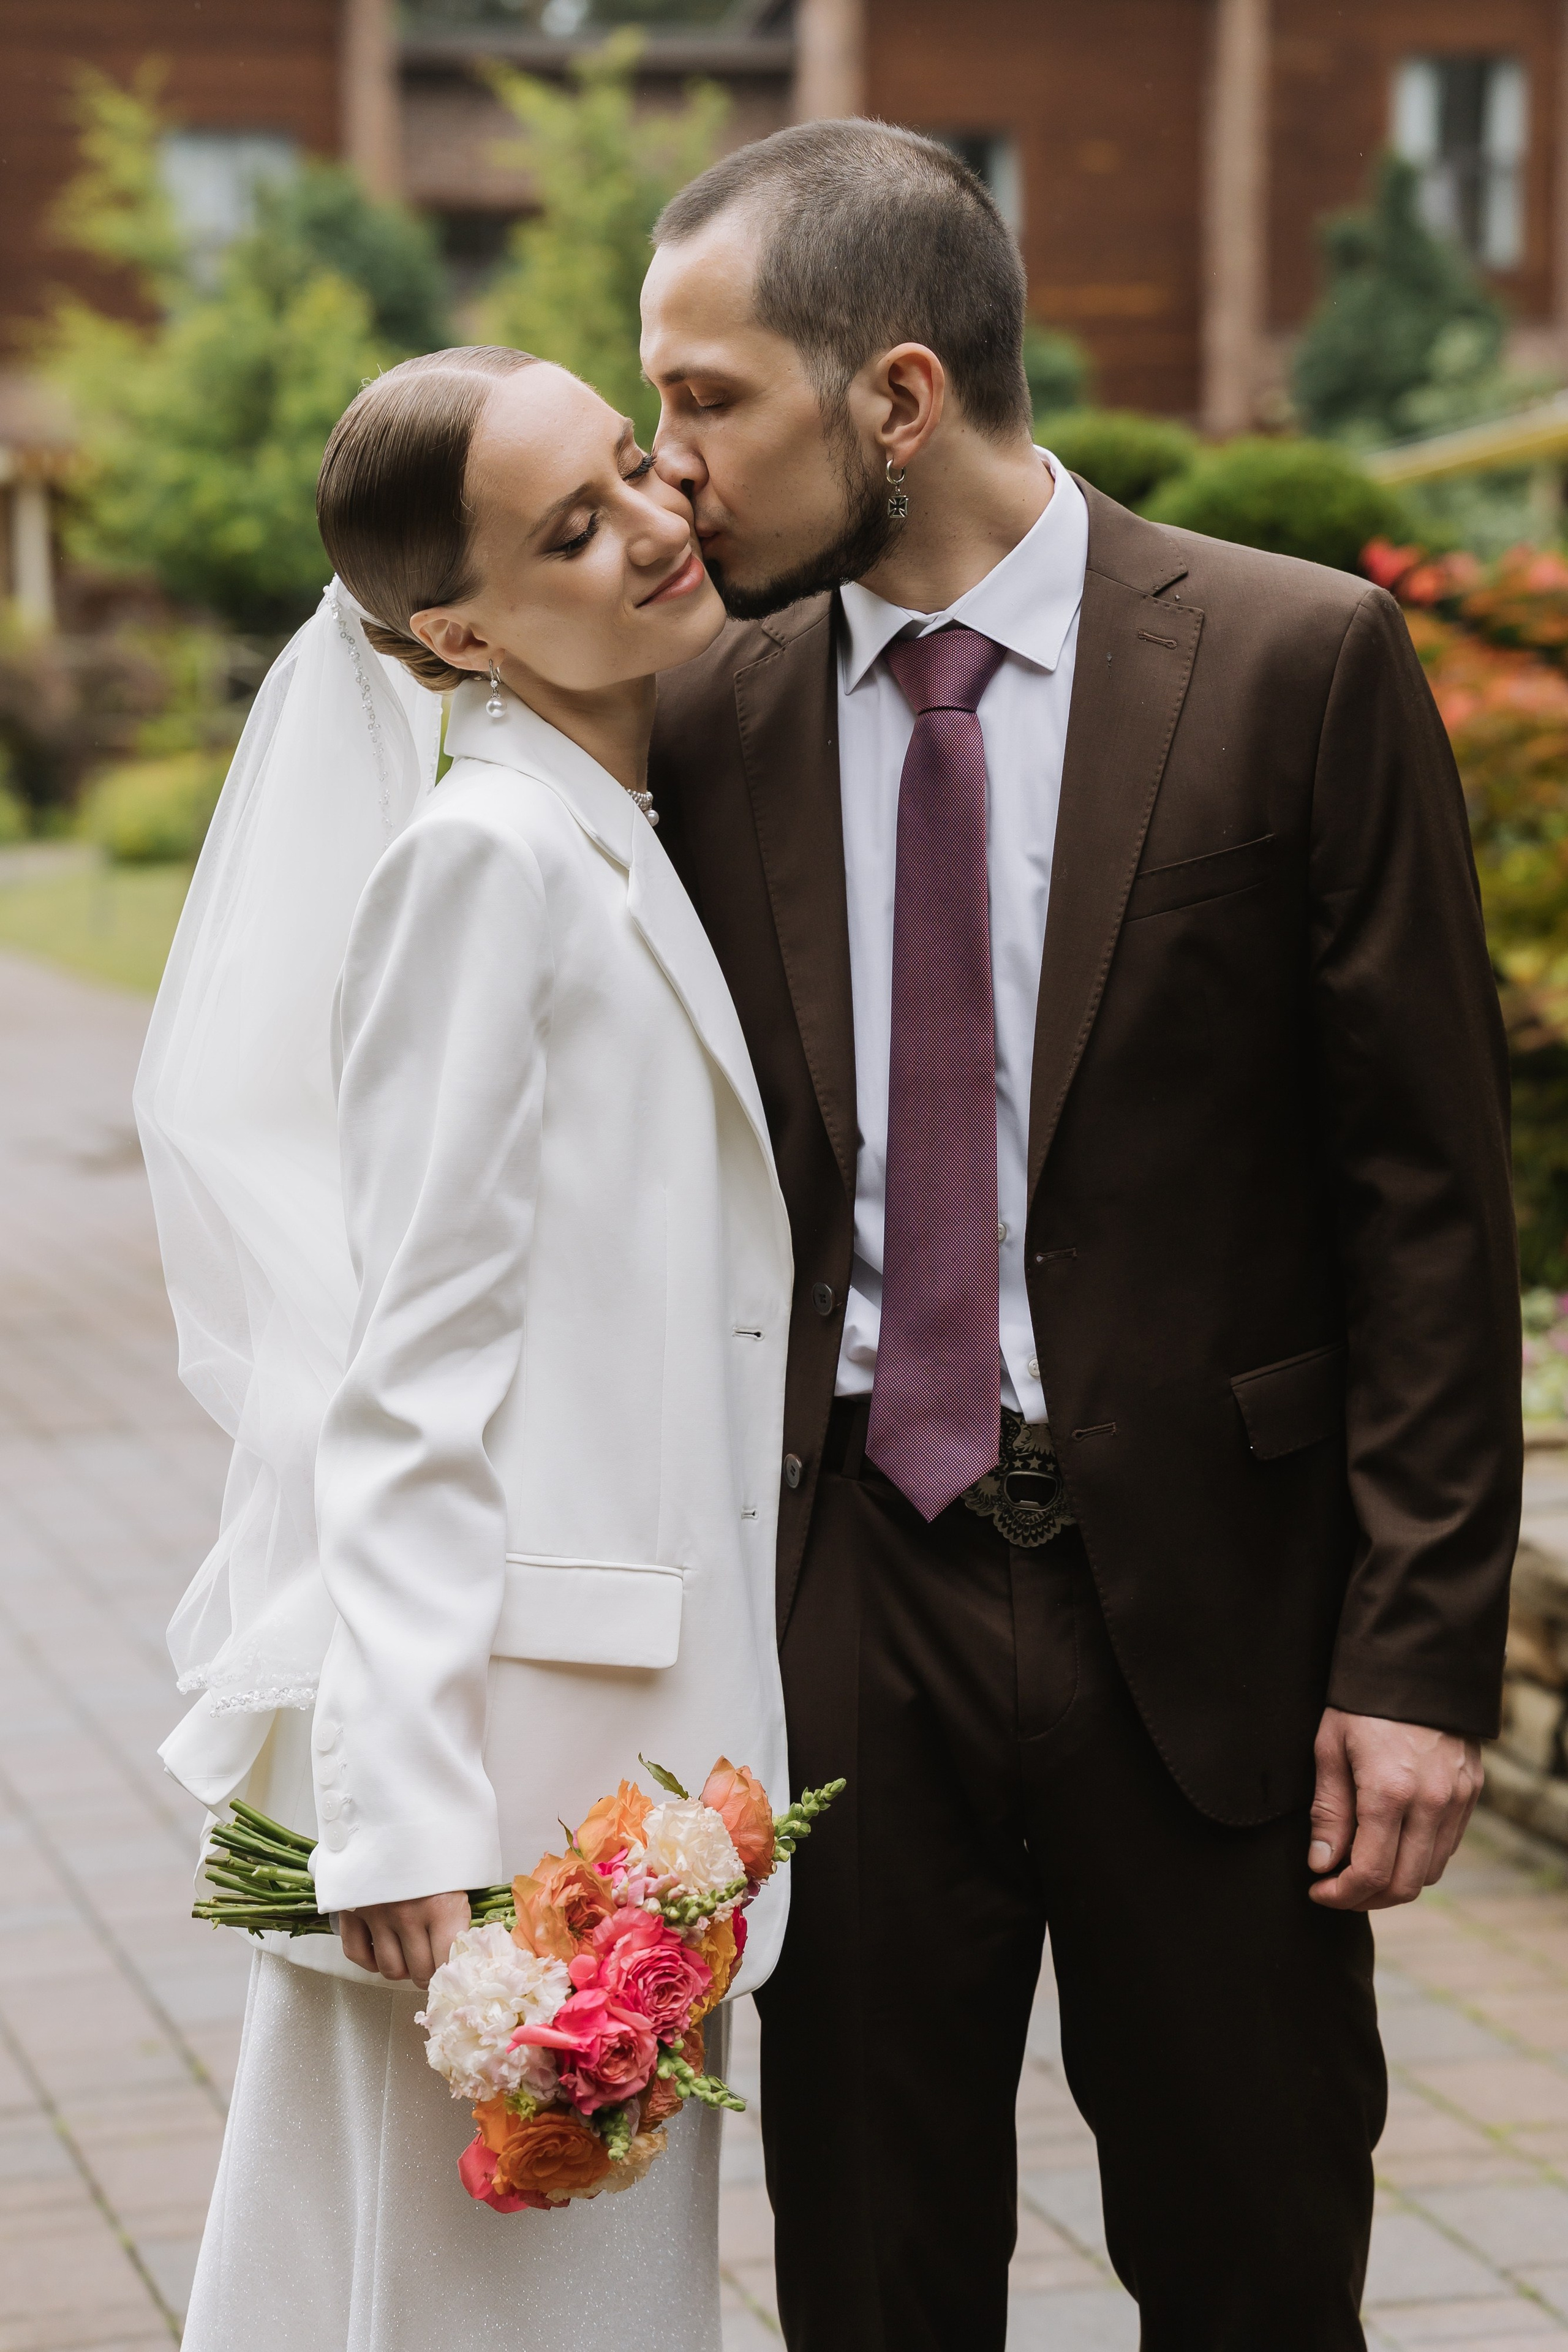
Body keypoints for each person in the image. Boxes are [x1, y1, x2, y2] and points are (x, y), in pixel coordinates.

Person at [638, 122, 1521, 2351]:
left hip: (1213, 1632)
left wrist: (1416, 1661)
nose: (670, 472)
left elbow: (1427, 1199)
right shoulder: (708, 719)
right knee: (871, 2274)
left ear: (899, 399)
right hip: (847, 1613)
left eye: (707, 401)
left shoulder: (1295, 662)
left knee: (1251, 2260)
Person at [137, 346, 792, 2351]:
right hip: (521, 1779)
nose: (659, 529)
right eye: (574, 531)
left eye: (633, 472)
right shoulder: (485, 863)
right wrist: (406, 1803)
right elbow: (406, 1365)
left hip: (625, 1742)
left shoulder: (619, 819)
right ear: (460, 629)